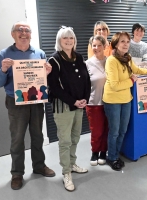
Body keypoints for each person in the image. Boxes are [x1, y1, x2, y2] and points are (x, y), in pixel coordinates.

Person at [0, 21, 55, 190]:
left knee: (37, 135)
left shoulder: (40, 53)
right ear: (13, 34)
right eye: (20, 30)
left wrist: (47, 73)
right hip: (16, 102)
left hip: (36, 100)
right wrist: (3, 70)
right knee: (17, 139)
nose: (24, 33)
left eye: (27, 30)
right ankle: (17, 173)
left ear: (31, 34)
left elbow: (43, 80)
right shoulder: (4, 54)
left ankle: (39, 166)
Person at [103, 31, 147, 171]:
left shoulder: (127, 58)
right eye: (122, 41)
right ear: (116, 44)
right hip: (113, 100)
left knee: (123, 130)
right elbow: (114, 85)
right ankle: (111, 157)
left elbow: (137, 69)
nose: (125, 44)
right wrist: (131, 80)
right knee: (114, 131)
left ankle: (116, 155)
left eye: (127, 41)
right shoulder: (111, 60)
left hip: (126, 99)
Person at [47, 26, 91, 191]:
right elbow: (55, 88)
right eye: (65, 38)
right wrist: (74, 101)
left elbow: (87, 80)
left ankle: (72, 164)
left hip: (79, 105)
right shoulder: (55, 60)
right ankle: (66, 173)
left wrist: (85, 98)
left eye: (71, 38)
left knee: (75, 138)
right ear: (59, 41)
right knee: (65, 141)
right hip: (64, 107)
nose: (68, 41)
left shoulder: (79, 57)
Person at [86, 35, 108, 166]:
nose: (97, 48)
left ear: (105, 46)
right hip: (94, 102)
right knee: (96, 131)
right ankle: (95, 152)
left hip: (110, 102)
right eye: (94, 45)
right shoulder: (87, 63)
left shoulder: (110, 61)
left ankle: (103, 152)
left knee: (107, 129)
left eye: (99, 45)